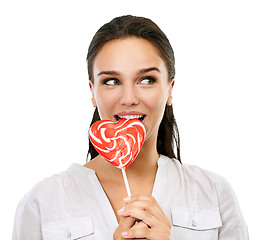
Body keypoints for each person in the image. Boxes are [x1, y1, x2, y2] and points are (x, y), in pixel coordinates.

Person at [12, 15, 249, 239]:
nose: (129, 98)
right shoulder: (42, 202)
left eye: (146, 80)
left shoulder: (214, 193)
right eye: (111, 81)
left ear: (170, 89)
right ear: (92, 92)